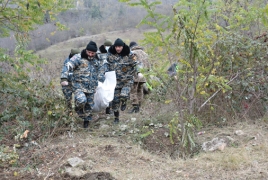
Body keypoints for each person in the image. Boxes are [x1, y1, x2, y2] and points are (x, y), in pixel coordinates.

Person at [60, 41, 104, 128]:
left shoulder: (97, 60)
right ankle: (77, 109)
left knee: (89, 106)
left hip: (91, 87)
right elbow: (68, 65)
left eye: (93, 53)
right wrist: (63, 78)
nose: (91, 54)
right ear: (86, 50)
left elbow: (101, 70)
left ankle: (86, 122)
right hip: (78, 86)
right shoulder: (78, 57)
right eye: (89, 52)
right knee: (81, 100)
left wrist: (100, 80)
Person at [106, 38, 137, 123]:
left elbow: (136, 65)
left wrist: (139, 72)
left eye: (119, 47)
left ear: (123, 46)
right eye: (116, 47)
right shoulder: (110, 55)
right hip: (115, 82)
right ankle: (116, 118)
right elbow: (105, 65)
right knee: (115, 101)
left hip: (127, 81)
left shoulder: (130, 54)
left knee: (123, 95)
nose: (118, 49)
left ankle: (124, 101)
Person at [128, 41, 150, 113]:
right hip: (143, 75)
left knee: (133, 91)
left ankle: (135, 107)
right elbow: (148, 66)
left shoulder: (133, 53)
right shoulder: (145, 54)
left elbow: (133, 64)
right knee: (140, 90)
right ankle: (139, 105)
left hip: (135, 75)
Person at [60, 48, 80, 114]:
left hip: (77, 83)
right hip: (67, 84)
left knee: (78, 99)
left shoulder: (81, 60)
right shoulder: (67, 61)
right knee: (68, 100)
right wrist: (64, 79)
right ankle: (69, 113)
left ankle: (78, 112)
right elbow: (64, 71)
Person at [98, 39, 114, 115]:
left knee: (109, 91)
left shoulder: (112, 54)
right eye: (107, 46)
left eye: (109, 46)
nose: (108, 47)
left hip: (109, 75)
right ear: (104, 46)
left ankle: (108, 109)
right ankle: (98, 107)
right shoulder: (98, 54)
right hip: (99, 76)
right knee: (101, 92)